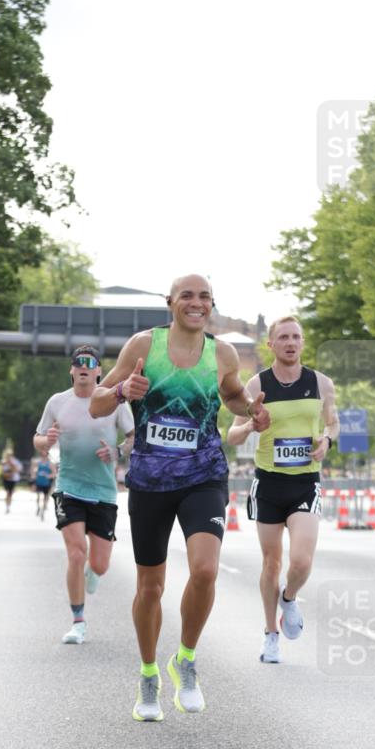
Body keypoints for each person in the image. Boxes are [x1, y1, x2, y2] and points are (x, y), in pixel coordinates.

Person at [90, 273, 270, 721]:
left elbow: (232, 396)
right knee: (150, 587)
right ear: (170, 303)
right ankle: (149, 674)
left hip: (203, 475)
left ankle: (185, 660)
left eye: (204, 296)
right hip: (150, 480)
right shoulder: (143, 347)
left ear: (211, 305)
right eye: (187, 296)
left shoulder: (222, 353)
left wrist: (253, 411)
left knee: (206, 570)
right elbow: (96, 403)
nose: (196, 303)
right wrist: (120, 392)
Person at [227, 315, 339, 663]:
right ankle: (270, 633)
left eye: (297, 337)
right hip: (269, 482)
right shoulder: (256, 383)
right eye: (284, 337)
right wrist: (249, 427)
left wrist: (327, 441)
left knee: (302, 561)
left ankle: (289, 599)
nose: (291, 342)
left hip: (305, 481)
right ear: (271, 344)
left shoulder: (321, 383)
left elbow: (333, 422)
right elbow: (231, 434)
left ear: (302, 343)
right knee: (271, 562)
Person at [34, 345, 134, 645]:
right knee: (76, 552)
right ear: (72, 370)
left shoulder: (113, 400)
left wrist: (116, 451)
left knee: (100, 564)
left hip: (103, 490)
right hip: (69, 486)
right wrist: (46, 440)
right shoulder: (57, 402)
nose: (84, 368)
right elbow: (38, 439)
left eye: (90, 364)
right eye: (78, 363)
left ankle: (95, 572)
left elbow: (133, 437)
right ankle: (78, 621)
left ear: (99, 371)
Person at [31, 450, 56, 520]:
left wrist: (48, 476)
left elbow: (54, 474)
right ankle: (38, 507)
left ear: (47, 455)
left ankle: (43, 511)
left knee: (45, 497)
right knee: (38, 496)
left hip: (46, 483)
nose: (44, 456)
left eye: (45, 455)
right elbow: (33, 472)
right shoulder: (37, 462)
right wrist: (33, 479)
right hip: (38, 482)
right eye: (42, 455)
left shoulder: (50, 464)